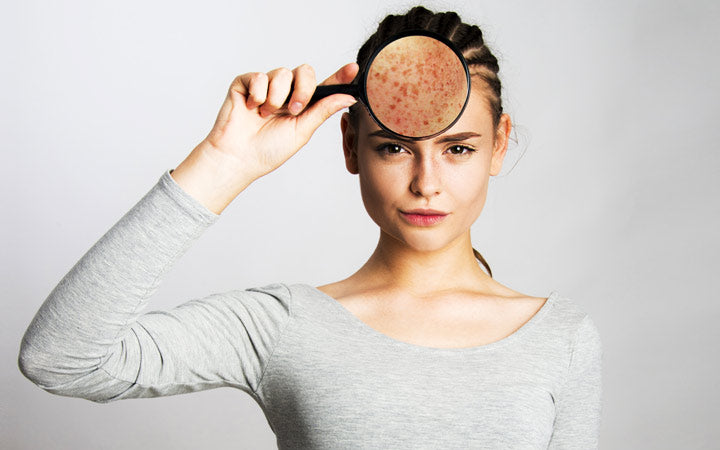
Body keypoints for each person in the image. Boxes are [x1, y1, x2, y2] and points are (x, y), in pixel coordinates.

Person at [18, 5, 602, 449]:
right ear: (350, 145)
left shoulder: (562, 338)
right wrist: (224, 162)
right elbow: (60, 357)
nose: (427, 182)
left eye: (458, 148)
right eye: (395, 146)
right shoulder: (284, 326)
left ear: (499, 145)